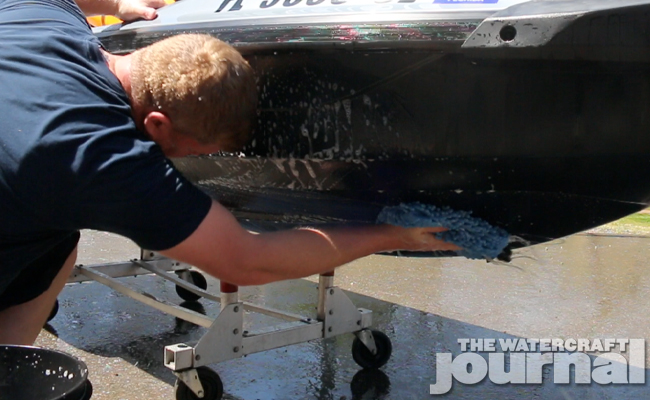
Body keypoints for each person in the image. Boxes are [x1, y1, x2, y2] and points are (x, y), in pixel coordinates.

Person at [0, 0, 460, 346]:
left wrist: (119, 5)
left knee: (59, 243)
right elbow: (247, 261)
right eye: (194, 151)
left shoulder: (42, 18)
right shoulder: (99, 156)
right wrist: (392, 235)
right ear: (157, 125)